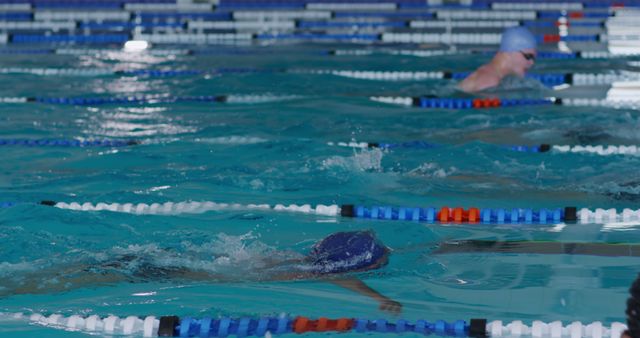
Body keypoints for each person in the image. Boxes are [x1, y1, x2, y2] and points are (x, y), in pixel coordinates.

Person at [1, 231, 403, 314]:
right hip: (168, 275)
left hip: (166, 258)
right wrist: (379, 298)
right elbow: (341, 276)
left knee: (88, 268)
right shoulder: (303, 274)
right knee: (72, 280)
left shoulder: (283, 256)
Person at [458, 27, 537, 93]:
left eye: (533, 58)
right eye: (528, 56)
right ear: (510, 52)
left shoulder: (494, 75)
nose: (531, 62)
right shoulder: (489, 81)